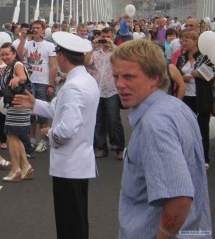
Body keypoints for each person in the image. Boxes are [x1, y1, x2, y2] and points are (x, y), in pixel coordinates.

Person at [111, 40, 212, 238]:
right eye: (116, 76)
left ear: (155, 78)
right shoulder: (177, 107)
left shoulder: (155, 124)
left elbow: (179, 199)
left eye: (129, 77)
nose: (119, 84)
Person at [13, 31, 99, 239]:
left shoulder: (73, 87)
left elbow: (66, 130)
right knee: (77, 220)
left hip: (69, 165)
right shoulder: (85, 80)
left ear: (61, 56)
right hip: (80, 161)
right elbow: (62, 111)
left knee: (69, 224)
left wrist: (49, 133)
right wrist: (35, 104)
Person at [16, 20, 57, 153]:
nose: (35, 30)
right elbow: (19, 56)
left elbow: (53, 66)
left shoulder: (49, 46)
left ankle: (43, 141)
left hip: (43, 82)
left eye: (38, 28)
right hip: (29, 81)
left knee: (43, 114)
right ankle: (32, 139)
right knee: (30, 113)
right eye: (33, 28)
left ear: (43, 29)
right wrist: (22, 39)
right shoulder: (27, 43)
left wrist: (51, 84)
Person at [176, 30, 214, 168]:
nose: (182, 42)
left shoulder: (204, 57)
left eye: (186, 40)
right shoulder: (181, 58)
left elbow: (213, 77)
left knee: (202, 128)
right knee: (187, 128)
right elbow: (174, 74)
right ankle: (189, 156)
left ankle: (205, 158)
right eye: (181, 39)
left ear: (194, 41)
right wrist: (181, 78)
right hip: (186, 97)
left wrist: (200, 74)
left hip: (202, 97)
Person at [88, 27, 125, 160]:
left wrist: (112, 45)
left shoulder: (116, 52)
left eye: (108, 37)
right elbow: (86, 62)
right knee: (98, 121)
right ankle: (101, 147)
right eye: (103, 36)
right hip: (97, 90)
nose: (105, 39)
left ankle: (120, 148)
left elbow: (123, 59)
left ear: (113, 37)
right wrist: (92, 47)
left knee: (114, 119)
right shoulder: (95, 53)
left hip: (111, 90)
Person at [0, 43, 32, 182]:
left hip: (19, 104)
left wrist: (18, 78)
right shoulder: (7, 68)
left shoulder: (17, 65)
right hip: (14, 104)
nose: (5, 57)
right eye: (3, 54)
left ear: (14, 54)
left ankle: (15, 169)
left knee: (11, 137)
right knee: (14, 136)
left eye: (7, 54)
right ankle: (26, 167)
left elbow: (23, 77)